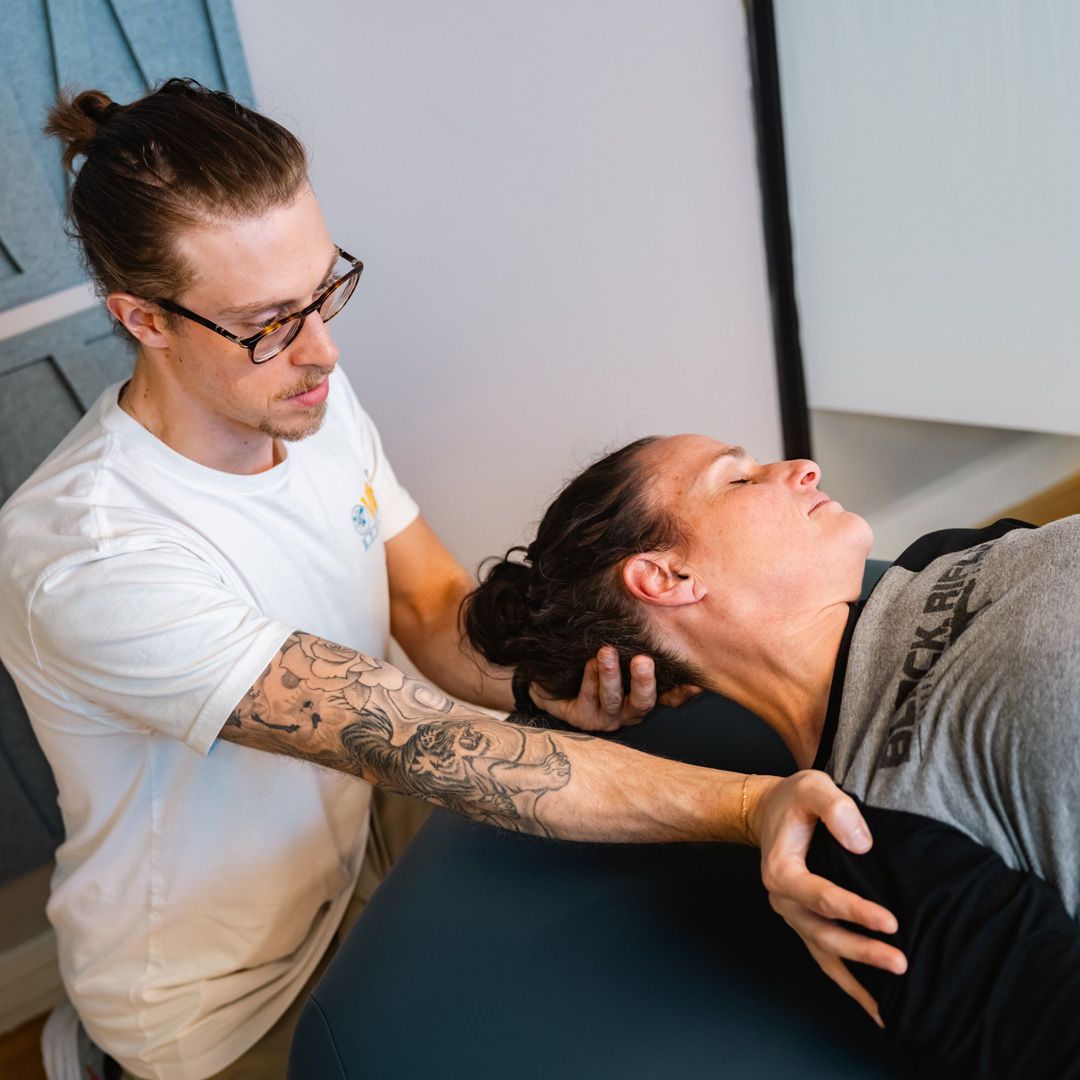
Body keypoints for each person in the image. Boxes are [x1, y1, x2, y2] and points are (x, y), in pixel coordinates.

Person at [0, 82, 896, 1080]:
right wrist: (754, 808)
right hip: (221, 999)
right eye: (267, 323)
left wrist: (540, 686)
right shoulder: (86, 556)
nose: (324, 350)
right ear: (144, 319)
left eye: (324, 290)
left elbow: (426, 608)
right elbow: (428, 744)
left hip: (371, 868)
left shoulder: (304, 404)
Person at [465, 432, 1080, 1074]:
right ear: (667, 577)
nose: (804, 469)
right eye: (739, 478)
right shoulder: (861, 840)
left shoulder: (937, 556)